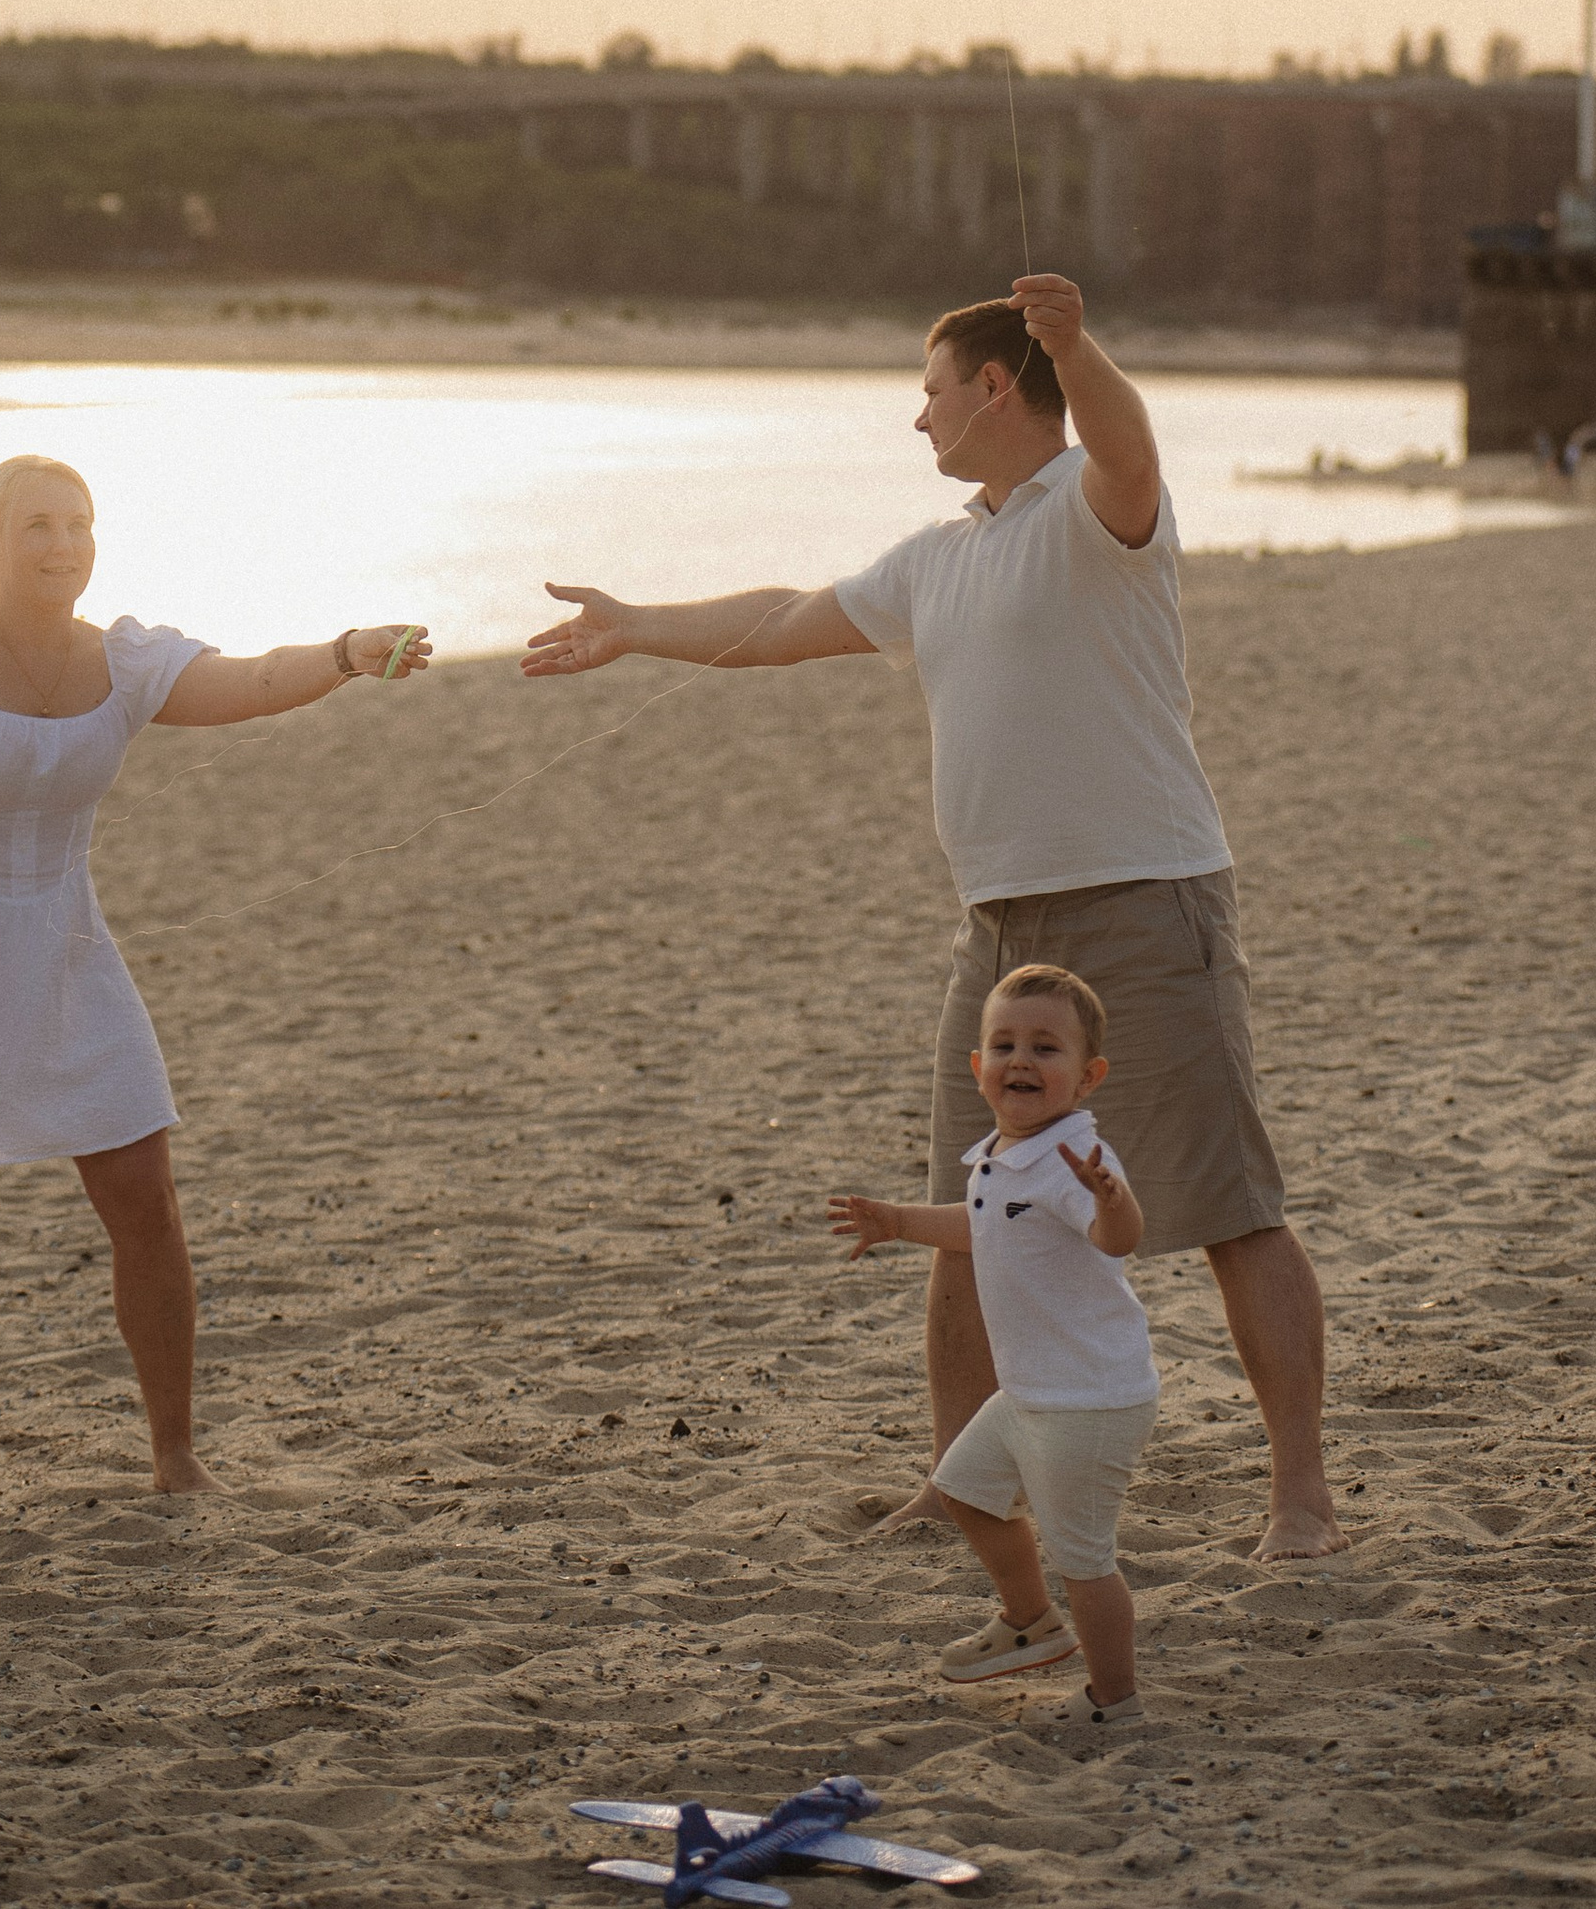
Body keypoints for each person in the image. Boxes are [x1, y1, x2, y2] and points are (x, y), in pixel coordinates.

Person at [522, 271, 1340, 1561]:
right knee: (974, 1210)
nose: (918, 419)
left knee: (1230, 1207)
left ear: (995, 387)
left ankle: (1301, 1499)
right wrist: (638, 627)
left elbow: (1129, 445)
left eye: (929, 392)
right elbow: (786, 619)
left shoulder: (1093, 503)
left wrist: (1084, 349)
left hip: (1142, 895)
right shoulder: (938, 554)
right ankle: (966, 1486)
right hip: (998, 931)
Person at [0, 452, 429, 1506]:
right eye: (38, 527)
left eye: (79, 524)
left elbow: (247, 682)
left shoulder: (127, 661)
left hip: (68, 956)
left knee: (145, 1204)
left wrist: (347, 651)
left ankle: (175, 1457)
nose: (63, 546)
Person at [830, 963, 1156, 1739]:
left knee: (1086, 1556)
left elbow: (1120, 1237)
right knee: (965, 1488)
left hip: (1088, 1399)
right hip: (1030, 1392)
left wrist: (1115, 1202)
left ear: (1087, 1076)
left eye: (1046, 1047)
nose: (1021, 1060)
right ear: (977, 1068)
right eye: (1004, 1044)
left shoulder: (1079, 1160)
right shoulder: (1002, 1158)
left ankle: (1116, 1700)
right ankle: (1030, 1620)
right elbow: (979, 1227)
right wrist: (899, 1221)